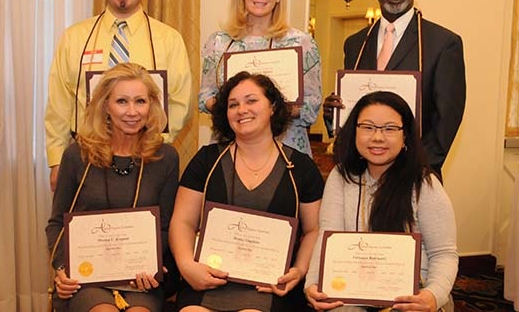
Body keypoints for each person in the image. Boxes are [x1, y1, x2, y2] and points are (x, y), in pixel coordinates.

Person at [170, 71, 324, 311]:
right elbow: (183, 221)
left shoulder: (301, 168)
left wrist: (299, 270)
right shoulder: (207, 160)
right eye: (233, 104)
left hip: (270, 286)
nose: (242, 109)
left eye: (251, 100)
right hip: (209, 280)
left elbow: (314, 229)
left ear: (272, 107)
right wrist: (186, 265)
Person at [45, 0, 192, 191]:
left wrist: (152, 144)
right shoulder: (74, 38)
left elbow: (180, 102)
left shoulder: (168, 39)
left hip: (147, 160)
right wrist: (57, 160)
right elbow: (59, 103)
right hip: (85, 158)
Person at [305, 91, 458, 312]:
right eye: (367, 127)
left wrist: (433, 295)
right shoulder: (341, 177)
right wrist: (312, 284)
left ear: (405, 135)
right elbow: (328, 237)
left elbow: (444, 253)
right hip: (352, 291)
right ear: (354, 131)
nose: (377, 137)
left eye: (389, 129)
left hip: (412, 296)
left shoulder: (424, 185)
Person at [46, 63, 179, 311]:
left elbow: (165, 225)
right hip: (86, 279)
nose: (132, 111)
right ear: (105, 105)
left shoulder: (166, 157)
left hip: (140, 279)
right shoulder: (78, 155)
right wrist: (63, 269)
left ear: (151, 105)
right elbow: (57, 223)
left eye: (140, 101)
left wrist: (153, 261)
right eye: (122, 101)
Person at [323, 0, 466, 176]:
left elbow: (447, 117)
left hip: (415, 173)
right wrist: (334, 113)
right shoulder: (355, 44)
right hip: (362, 170)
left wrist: (418, 166)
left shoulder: (443, 43)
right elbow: (356, 108)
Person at [198, 0, 321, 156]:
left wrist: (267, 110)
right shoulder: (219, 43)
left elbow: (311, 106)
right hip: (231, 148)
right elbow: (205, 98)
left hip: (286, 149)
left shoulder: (302, 43)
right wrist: (237, 108)